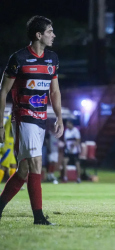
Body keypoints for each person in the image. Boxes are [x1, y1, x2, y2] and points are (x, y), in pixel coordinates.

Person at [0, 16, 64, 225]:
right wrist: (0, 124)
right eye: (50, 31)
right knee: (37, 163)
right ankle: (38, 217)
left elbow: (54, 91)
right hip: (23, 117)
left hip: (41, 119)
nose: (53, 35)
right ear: (39, 35)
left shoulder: (52, 59)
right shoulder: (18, 58)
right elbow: (3, 92)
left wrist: (60, 118)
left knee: (24, 170)